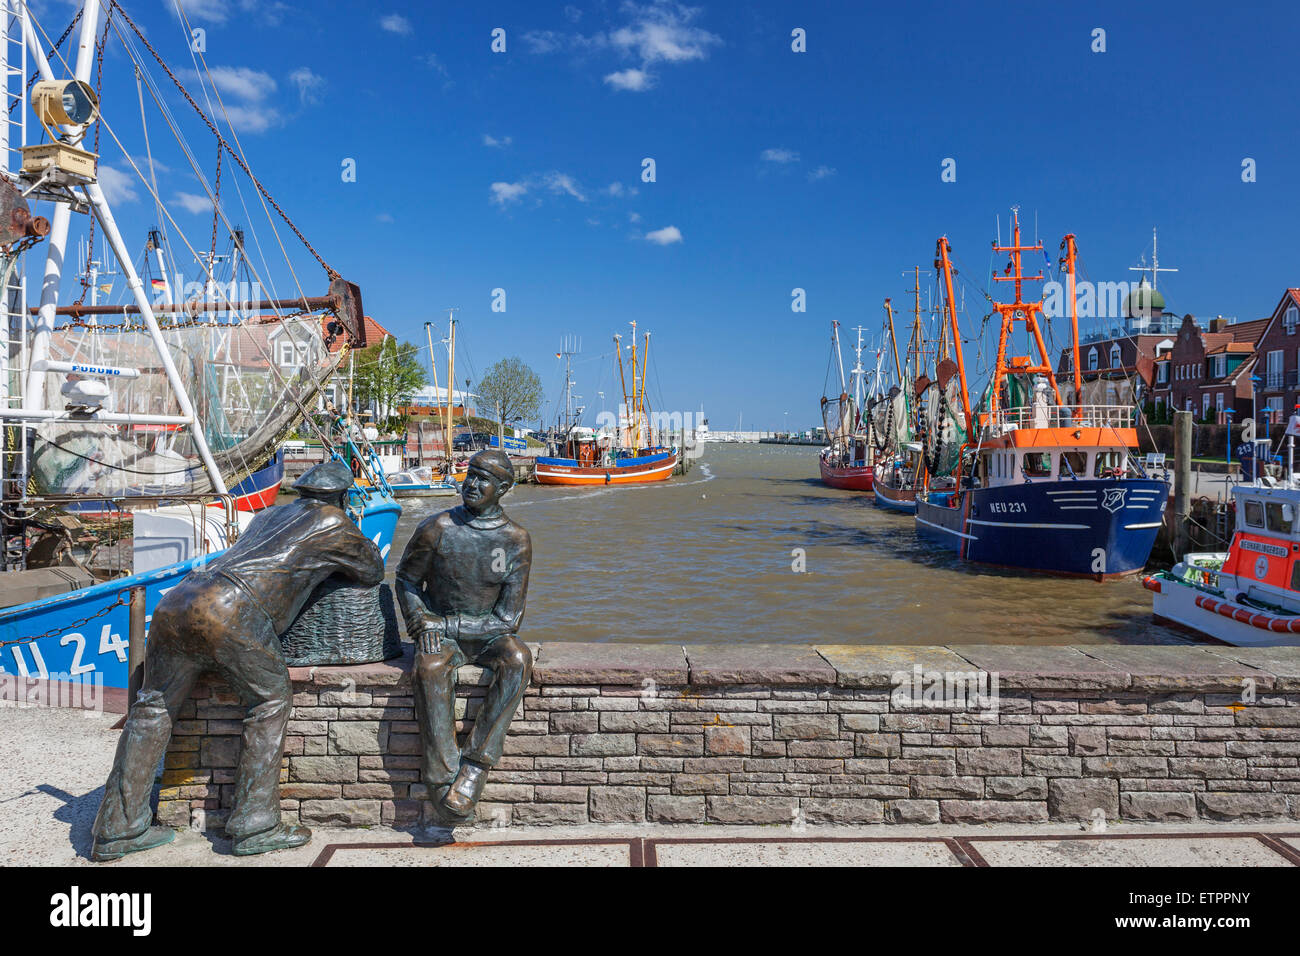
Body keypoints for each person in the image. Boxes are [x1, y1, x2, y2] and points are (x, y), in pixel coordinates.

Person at [91, 460, 385, 860]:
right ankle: (255, 824)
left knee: (152, 708)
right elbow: (372, 571)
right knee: (270, 701)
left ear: (301, 491)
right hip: (230, 609)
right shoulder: (334, 521)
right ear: (342, 496)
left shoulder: (268, 513)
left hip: (179, 600)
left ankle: (117, 828)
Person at [395, 449, 532, 823]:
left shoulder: (515, 539)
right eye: (469, 475)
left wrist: (448, 625)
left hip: (487, 635)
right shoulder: (437, 529)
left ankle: (474, 767)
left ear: (503, 488)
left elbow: (509, 617)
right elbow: (406, 579)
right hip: (440, 633)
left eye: (482, 479)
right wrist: (421, 620)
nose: (471, 484)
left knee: (518, 659)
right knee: (430, 667)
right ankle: (441, 777)